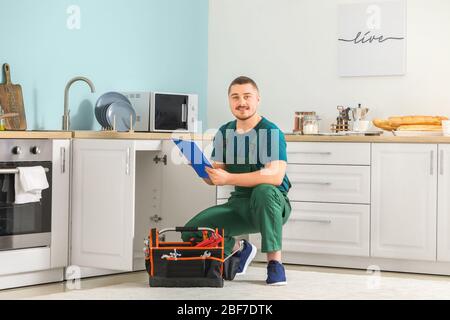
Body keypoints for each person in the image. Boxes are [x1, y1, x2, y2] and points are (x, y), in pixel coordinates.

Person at [181, 76, 291, 285]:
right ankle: (239, 250)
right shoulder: (225, 132)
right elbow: (216, 177)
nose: (242, 102)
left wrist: (229, 177)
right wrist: (200, 166)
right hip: (239, 205)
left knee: (264, 190)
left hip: (273, 204)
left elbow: (275, 176)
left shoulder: (271, 132)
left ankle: (275, 264)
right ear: (229, 101)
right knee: (192, 231)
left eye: (247, 96)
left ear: (258, 99)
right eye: (235, 97)